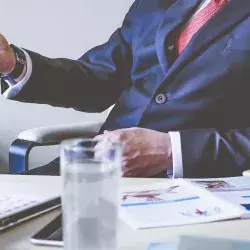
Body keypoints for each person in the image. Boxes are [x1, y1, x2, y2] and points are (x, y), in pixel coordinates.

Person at [1, 0, 250, 178]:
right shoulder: (153, 5)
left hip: (203, 184)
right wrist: (13, 63)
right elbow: (96, 81)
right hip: (96, 170)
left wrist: (170, 151)